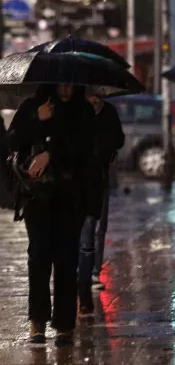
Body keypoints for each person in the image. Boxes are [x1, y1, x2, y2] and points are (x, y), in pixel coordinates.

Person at [6, 84, 96, 346]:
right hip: (37, 197)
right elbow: (13, 141)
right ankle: (37, 320)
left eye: (71, 83)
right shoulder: (32, 107)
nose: (66, 89)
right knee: (39, 256)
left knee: (66, 259)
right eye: (61, 83)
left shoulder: (82, 111)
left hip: (70, 197)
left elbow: (87, 149)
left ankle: (65, 324)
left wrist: (51, 154)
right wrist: (37, 118)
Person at [78, 94, 125, 314]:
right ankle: (83, 274)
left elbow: (119, 139)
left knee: (99, 225)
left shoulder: (108, 112)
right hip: (79, 178)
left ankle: (94, 270)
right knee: (85, 228)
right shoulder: (78, 110)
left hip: (100, 176)